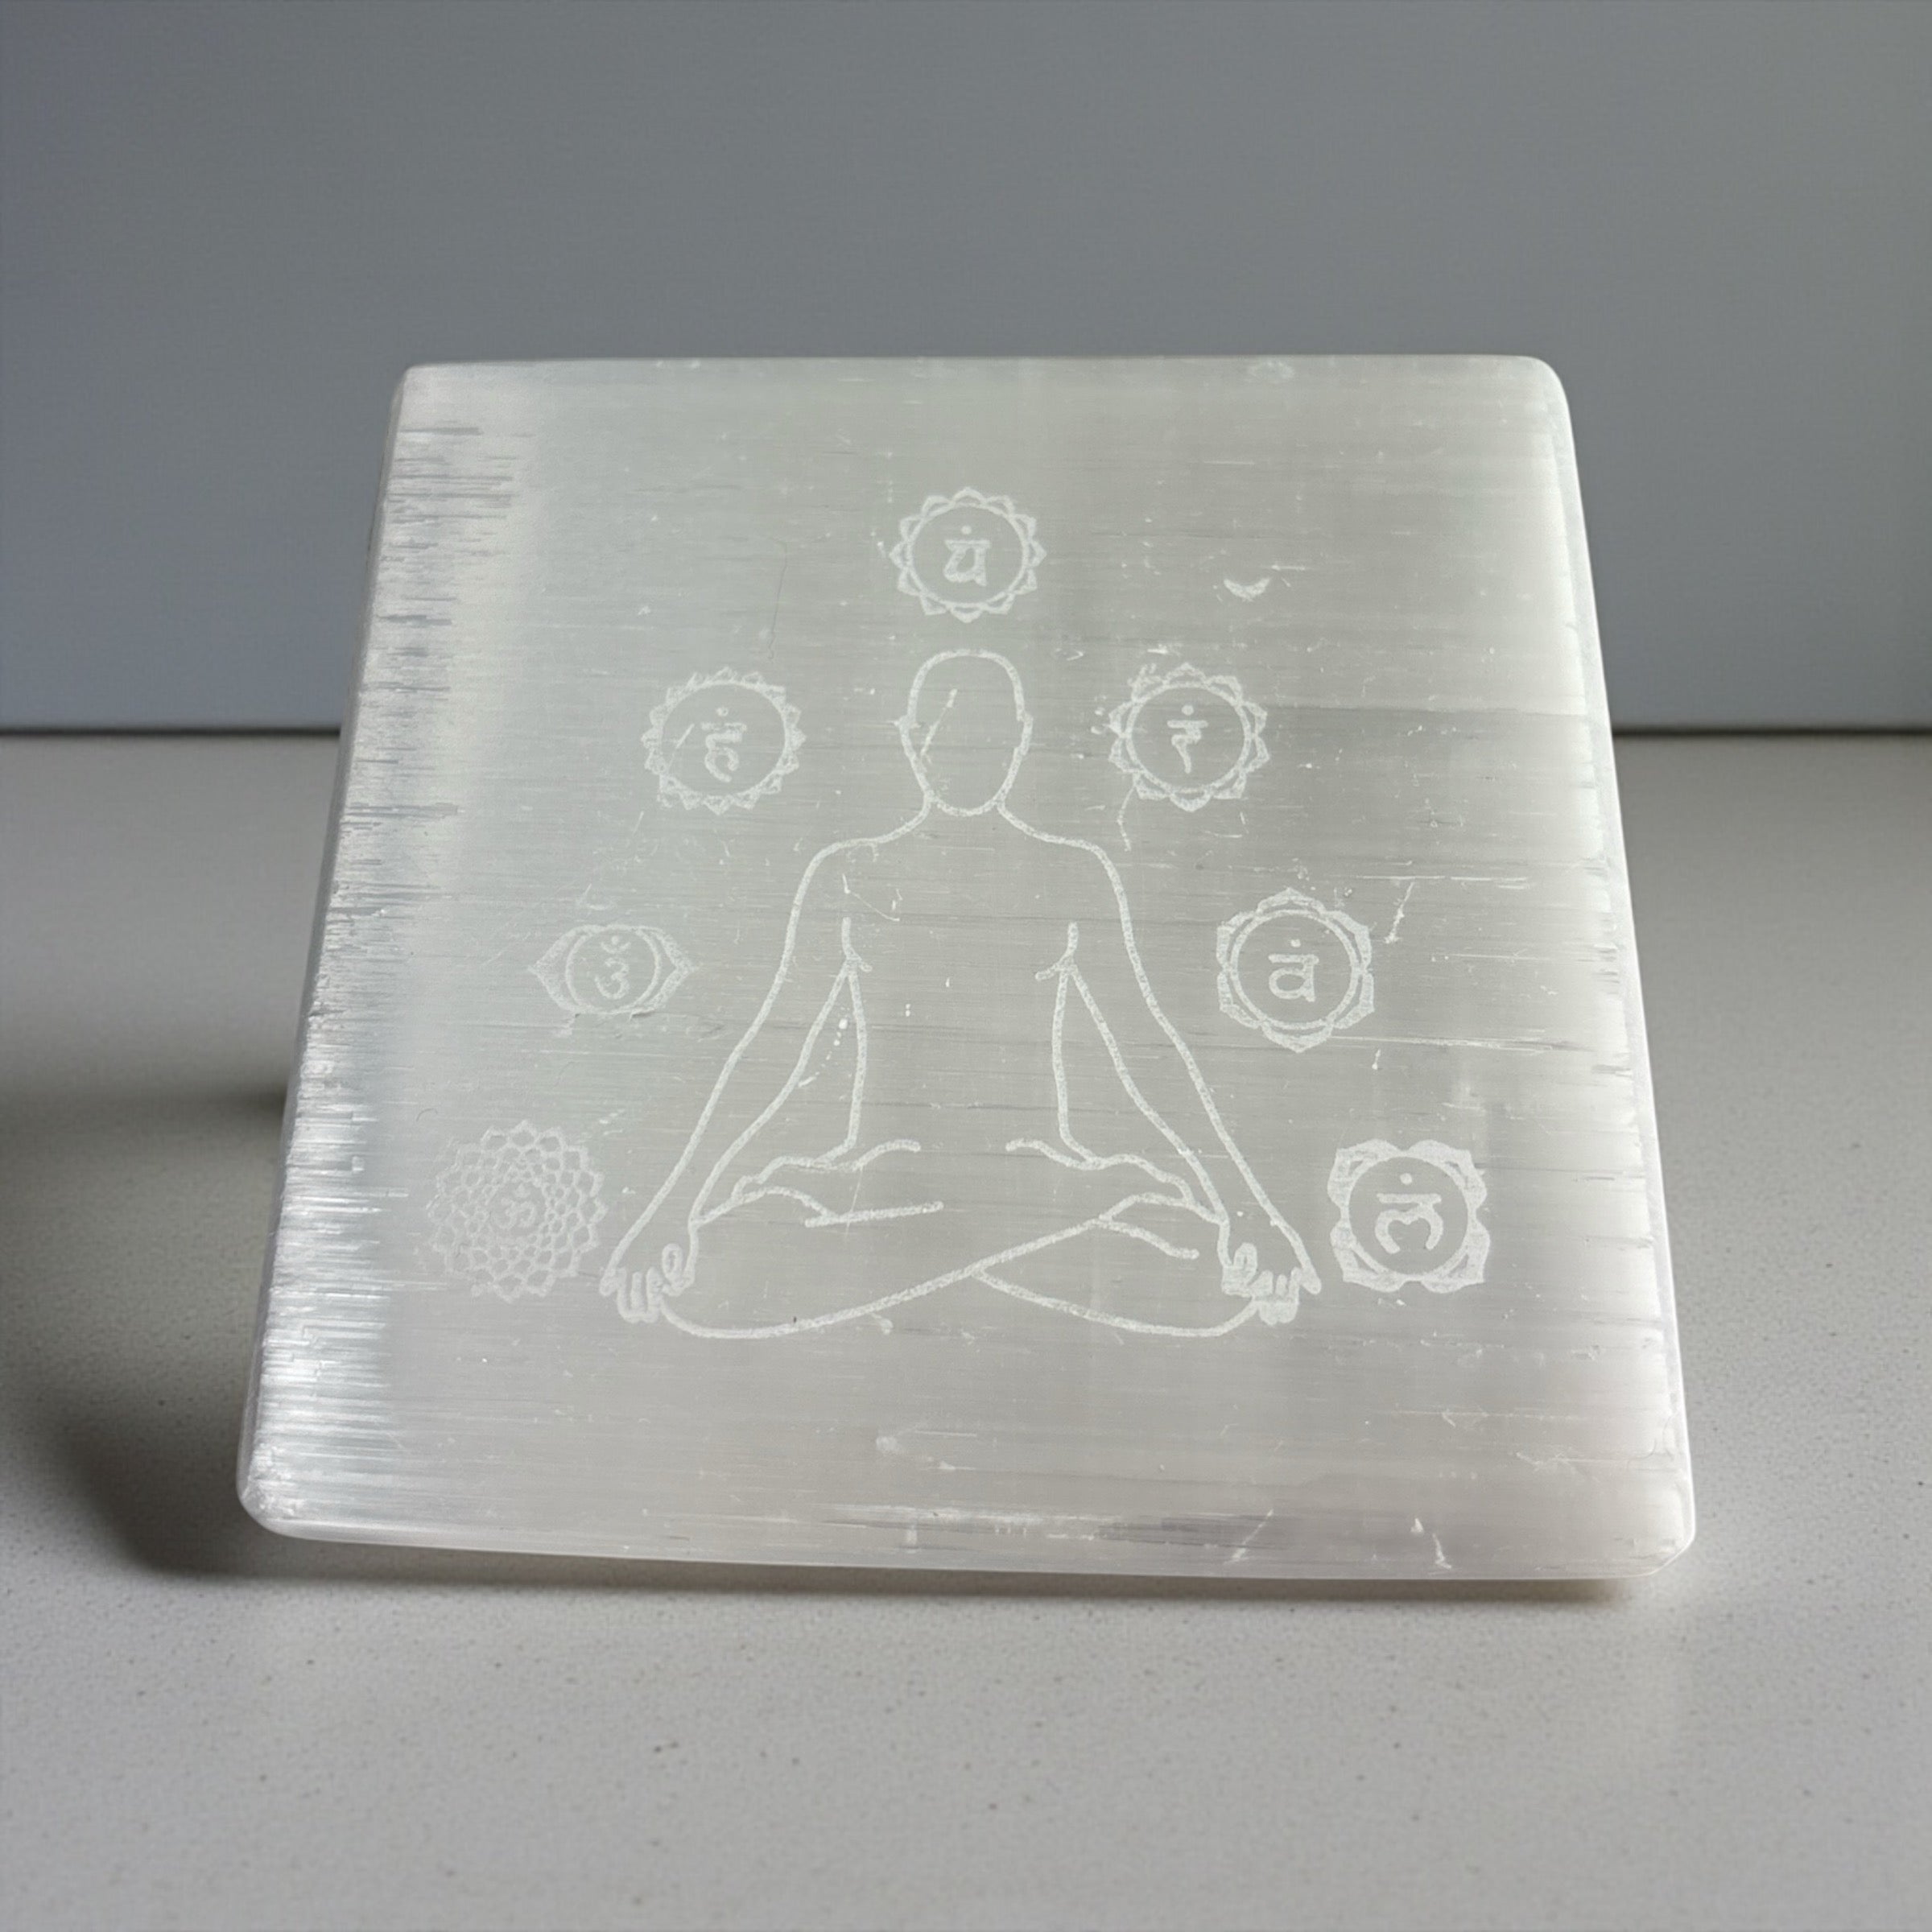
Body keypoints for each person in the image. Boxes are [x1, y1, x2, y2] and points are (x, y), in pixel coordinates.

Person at [601, 649, 1317, 1337]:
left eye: (987, 738)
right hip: (880, 1183)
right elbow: (772, 1052)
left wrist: (1247, 1210)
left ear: (1020, 740)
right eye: (946, 738)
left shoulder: (1073, 874)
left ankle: (939, 1267)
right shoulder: (851, 874)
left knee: (1212, 1270)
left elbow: (1147, 1052)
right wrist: (672, 1209)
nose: (966, 758)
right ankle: (974, 1267)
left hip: (1039, 1187)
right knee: (705, 1275)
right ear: (912, 740)